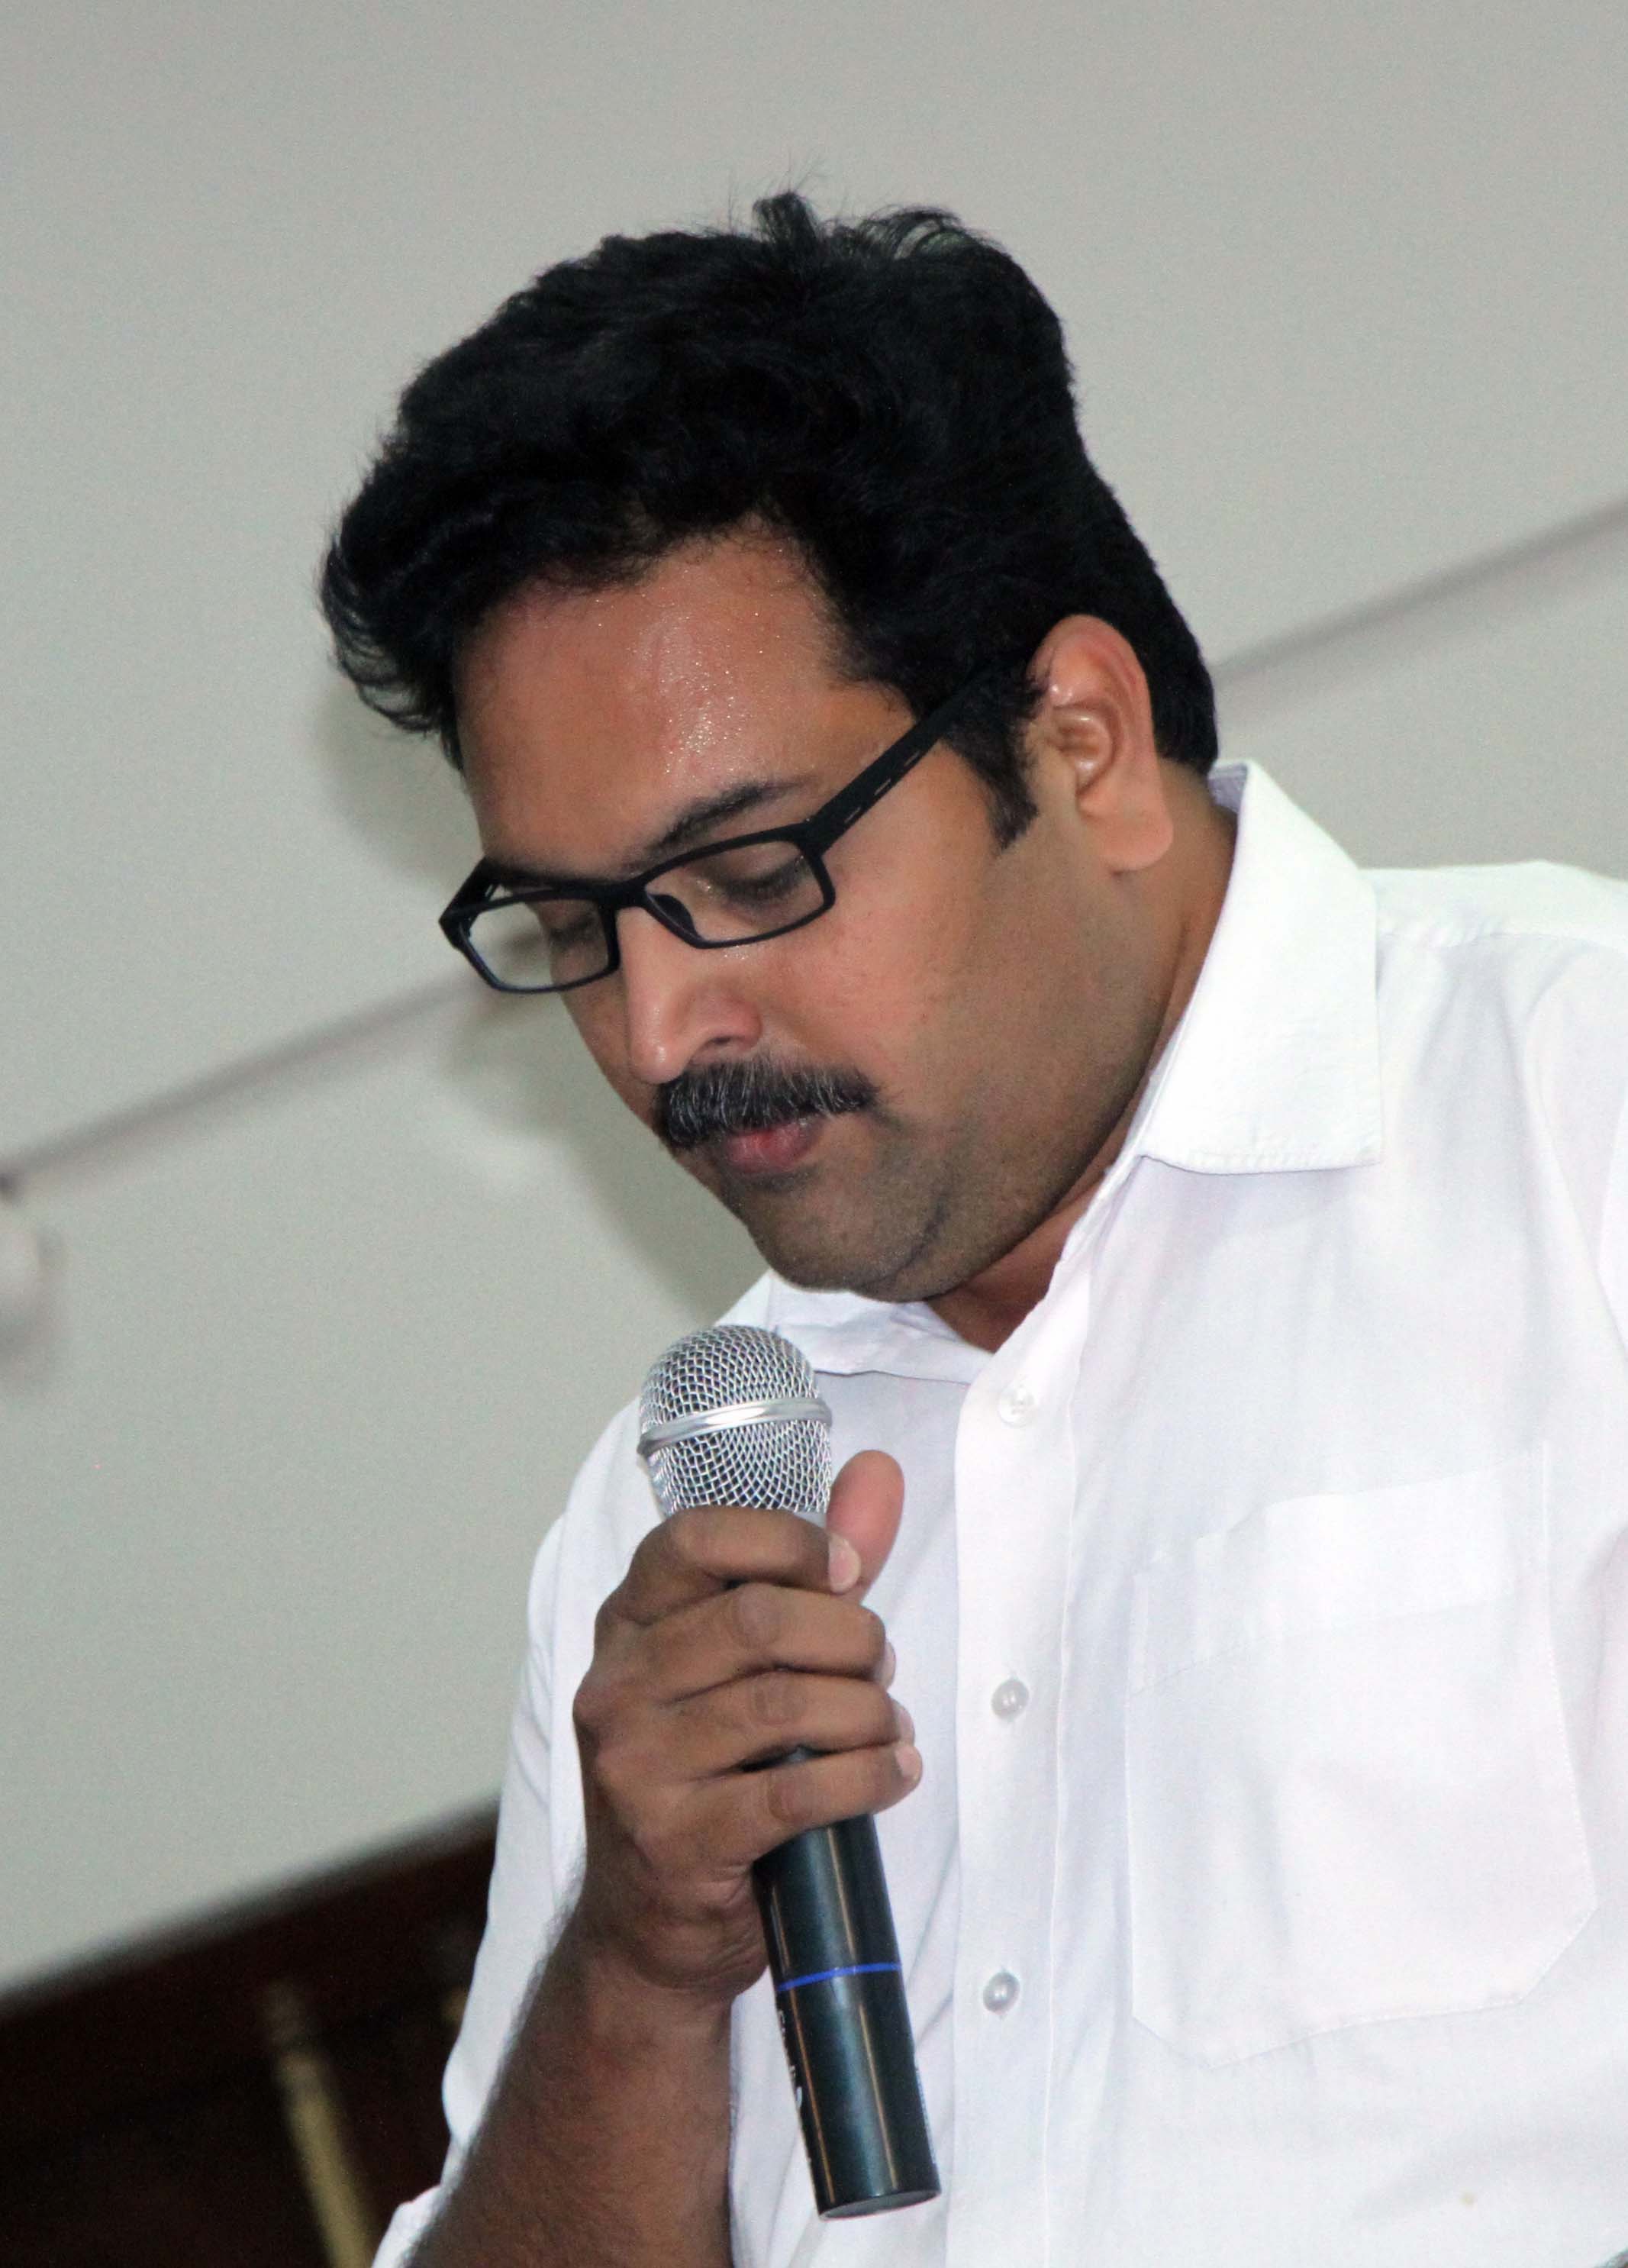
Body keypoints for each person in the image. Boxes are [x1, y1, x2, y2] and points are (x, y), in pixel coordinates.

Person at [320, 196, 1628, 2268]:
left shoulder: (1578, 1129)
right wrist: (642, 1969)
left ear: (1080, 746)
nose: (661, 1033)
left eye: (753, 874)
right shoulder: (673, 1519)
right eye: (575, 927)